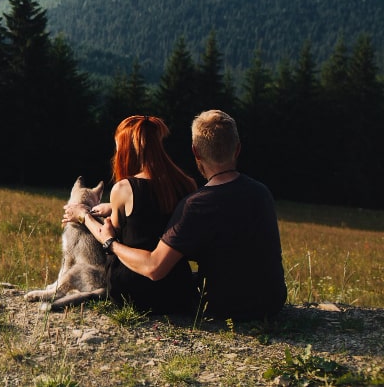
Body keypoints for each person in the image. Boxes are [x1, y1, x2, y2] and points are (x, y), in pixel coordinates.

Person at [87, 109, 287, 321]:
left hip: (225, 308)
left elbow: (154, 268)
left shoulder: (197, 205)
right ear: (237, 149)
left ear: (195, 152)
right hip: (272, 303)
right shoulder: (261, 192)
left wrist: (109, 242)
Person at [63, 115, 199, 314]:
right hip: (176, 291)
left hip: (132, 292)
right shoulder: (186, 184)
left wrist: (84, 215)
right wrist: (113, 206)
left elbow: (108, 235)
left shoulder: (124, 189)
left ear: (128, 149)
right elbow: (155, 211)